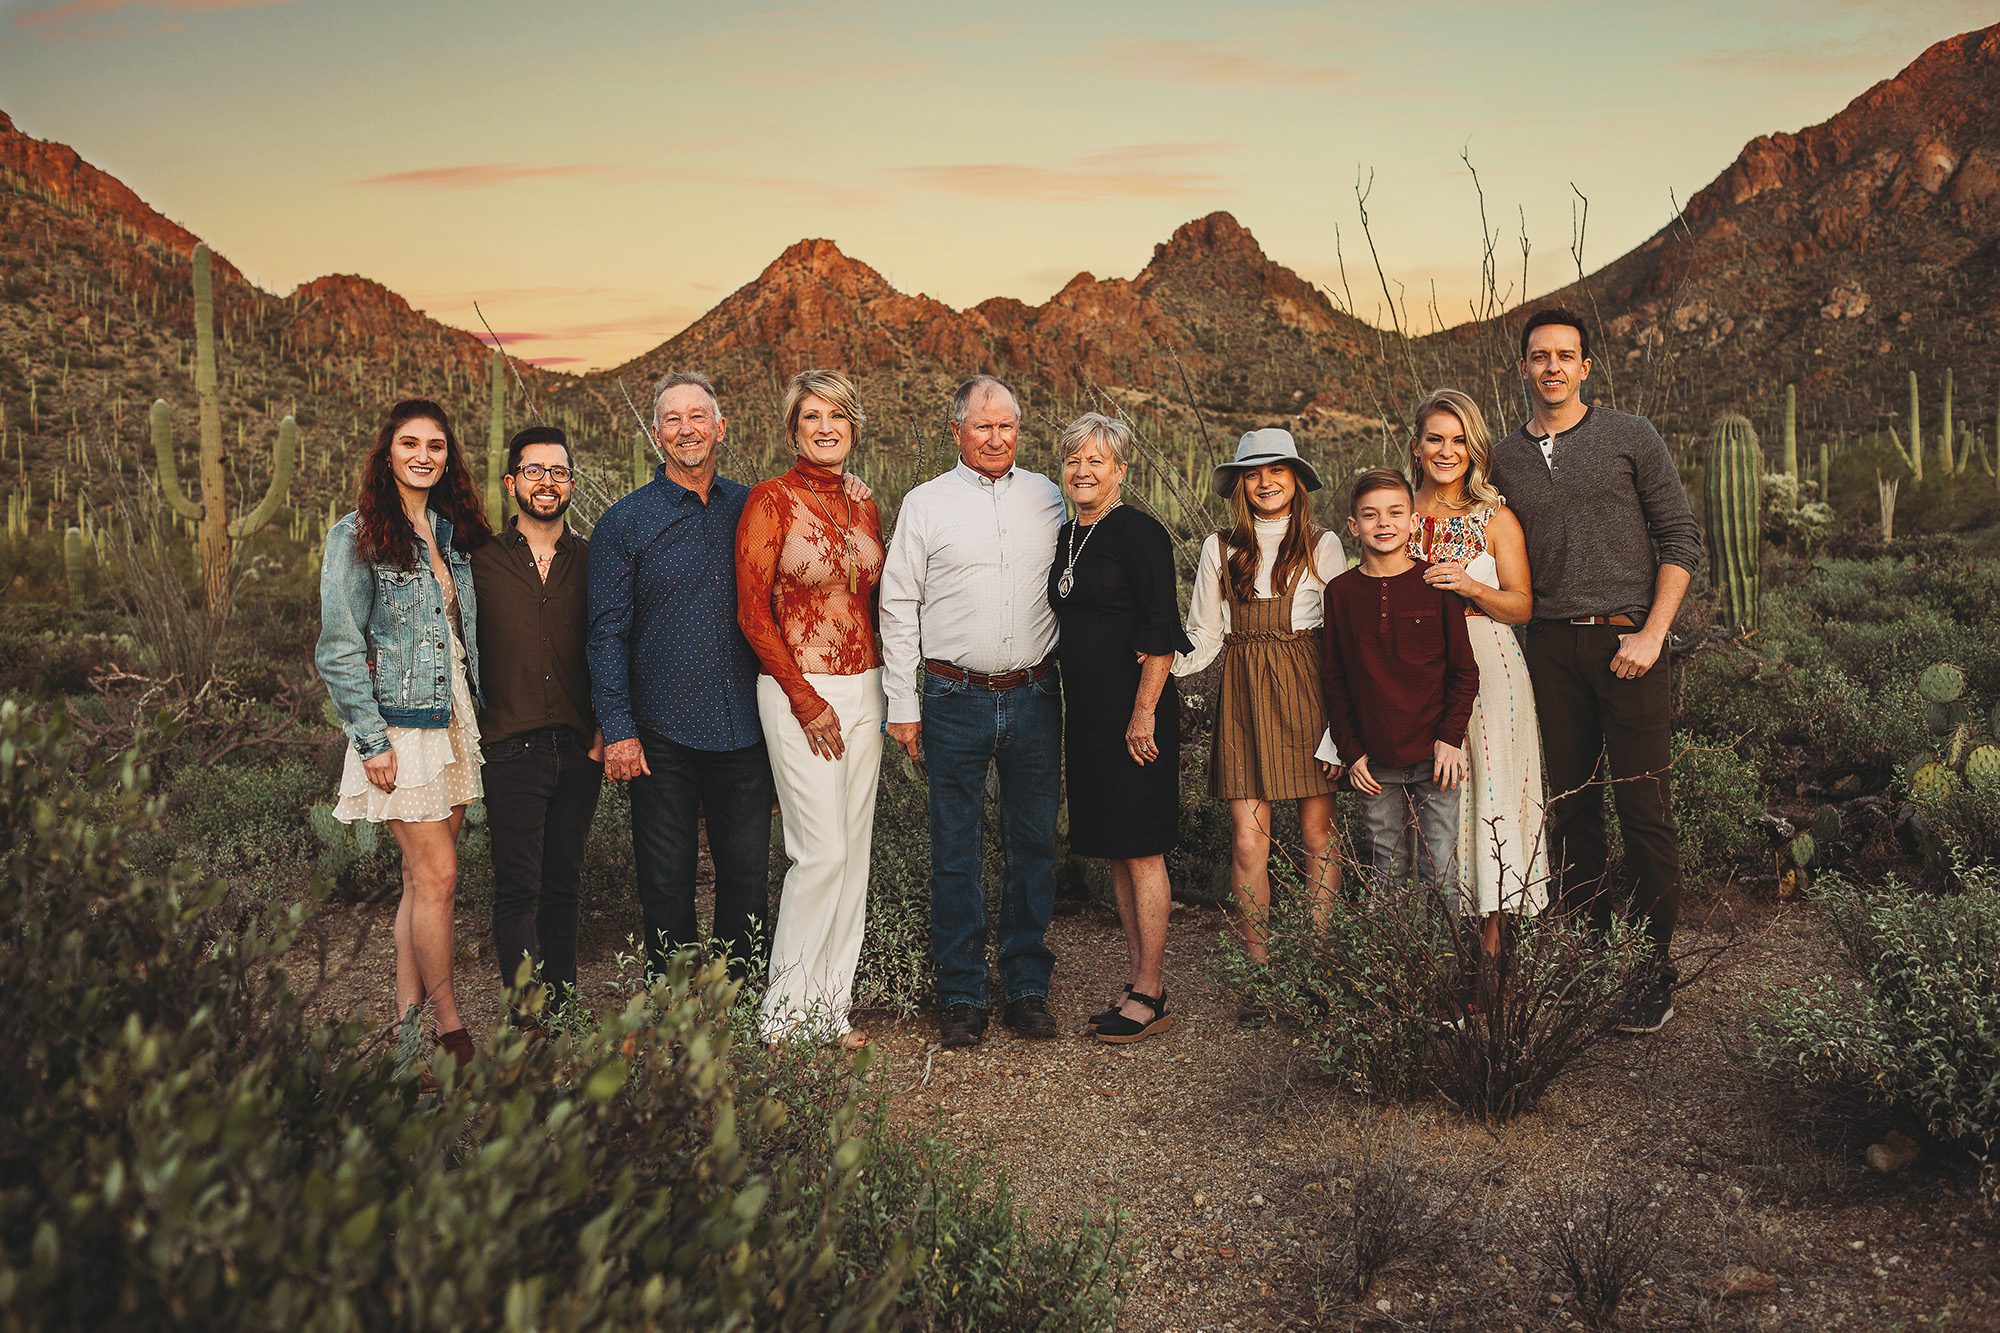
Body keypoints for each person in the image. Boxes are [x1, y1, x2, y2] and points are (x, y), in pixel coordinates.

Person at [1488, 308, 1703, 1035]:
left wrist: (1652, 632)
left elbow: (1680, 536)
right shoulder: (1504, 457)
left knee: (1643, 809)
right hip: (1549, 646)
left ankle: (1650, 970)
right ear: (1523, 367)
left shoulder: (1630, 436)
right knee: (1571, 805)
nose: (1552, 366)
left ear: (1586, 368)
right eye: (1539, 355)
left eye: (1565, 355)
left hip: (1628, 642)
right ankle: (1585, 955)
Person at [879, 374, 1065, 1049]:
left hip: (1037, 693)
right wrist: (902, 704)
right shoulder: (926, 503)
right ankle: (960, 990)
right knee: (955, 848)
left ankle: (1025, 985)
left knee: (1033, 843)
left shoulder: (1050, 496)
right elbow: (897, 603)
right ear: (956, 429)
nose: (995, 437)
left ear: (1021, 428)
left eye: (1007, 424)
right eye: (982, 425)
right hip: (952, 697)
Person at [317, 398, 492, 1077]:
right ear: (387, 450)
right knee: (439, 876)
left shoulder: (449, 534)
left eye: (437, 446)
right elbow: (337, 647)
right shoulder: (354, 534)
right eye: (411, 442)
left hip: (451, 717)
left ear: (448, 458)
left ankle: (405, 1026)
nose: (424, 454)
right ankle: (450, 1024)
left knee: (422, 881)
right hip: (397, 726)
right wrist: (370, 741)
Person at [588, 372, 775, 982]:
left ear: (720, 428)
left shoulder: (755, 508)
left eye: (699, 416)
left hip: (745, 727)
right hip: (659, 732)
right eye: (673, 418)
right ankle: (673, 1006)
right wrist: (618, 728)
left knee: (746, 875)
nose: (686, 428)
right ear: (656, 434)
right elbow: (606, 632)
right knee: (664, 878)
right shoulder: (624, 523)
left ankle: (737, 999)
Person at [1176, 428, 1346, 1029]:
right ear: (1240, 485)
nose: (1267, 481)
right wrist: (1150, 673)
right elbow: (1201, 636)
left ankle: (1319, 966)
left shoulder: (1324, 545)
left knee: (1317, 836)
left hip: (1307, 690)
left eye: (1278, 470)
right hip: (1244, 692)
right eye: (1254, 473)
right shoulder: (1220, 549)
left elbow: (1340, 639)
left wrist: (1338, 732)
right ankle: (1261, 972)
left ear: (1297, 480)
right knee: (1249, 840)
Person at [736, 369, 885, 1051]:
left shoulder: (864, 501)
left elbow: (872, 603)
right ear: (794, 429)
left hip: (867, 689)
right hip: (801, 690)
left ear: (853, 426)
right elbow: (752, 610)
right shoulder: (771, 500)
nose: (825, 428)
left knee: (852, 855)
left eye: (837, 417)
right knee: (818, 852)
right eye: (811, 417)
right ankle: (782, 1014)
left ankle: (829, 1010)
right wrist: (803, 697)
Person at [1049, 413, 1193, 1045]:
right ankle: (1137, 977)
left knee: (1142, 846)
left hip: (1137, 714)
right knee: (1113, 845)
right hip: (1086, 713)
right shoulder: (1066, 536)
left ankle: (1152, 989)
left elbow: (1161, 632)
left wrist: (1142, 714)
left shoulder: (1141, 534)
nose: (1084, 471)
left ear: (1121, 470)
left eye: (1097, 461)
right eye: (1074, 460)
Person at [1405, 390, 1549, 965]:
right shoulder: (1396, 512)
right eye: (1436, 438)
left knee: (1488, 793)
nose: (1447, 450)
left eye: (1459, 440)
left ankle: (1492, 953)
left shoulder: (1495, 518)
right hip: (1413, 670)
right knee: (1427, 797)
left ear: (1475, 449)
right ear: (1416, 447)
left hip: (1490, 667)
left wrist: (1471, 587)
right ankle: (1430, 946)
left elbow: (1522, 606)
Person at [471, 424, 603, 1026]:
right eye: (534, 471)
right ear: (511, 482)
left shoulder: (595, 560)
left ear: (571, 483)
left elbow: (611, 644)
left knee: (564, 886)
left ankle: (565, 1011)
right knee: (516, 889)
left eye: (558, 472)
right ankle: (528, 1022)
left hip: (579, 749)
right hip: (508, 746)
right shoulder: (481, 562)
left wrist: (608, 724)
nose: (547, 482)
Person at [1320, 469, 1479, 893]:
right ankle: (1390, 961)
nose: (1384, 523)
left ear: (1413, 521)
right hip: (1374, 763)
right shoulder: (1340, 592)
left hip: (1436, 757)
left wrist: (1450, 737)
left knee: (1439, 869)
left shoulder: (1437, 586)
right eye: (1370, 515)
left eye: (1395, 513)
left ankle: (1445, 961)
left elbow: (1465, 672)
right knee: (1384, 870)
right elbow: (1334, 680)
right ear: (1354, 526)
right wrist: (1351, 751)